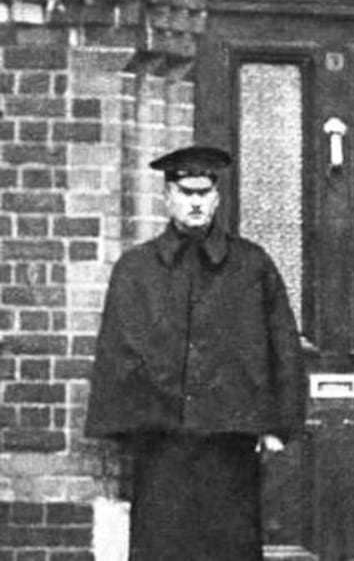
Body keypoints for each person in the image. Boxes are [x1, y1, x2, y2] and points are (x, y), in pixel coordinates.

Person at [85, 145, 306, 561]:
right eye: (186, 192)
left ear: (217, 197)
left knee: (229, 548)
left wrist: (279, 425)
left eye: (204, 192)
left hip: (230, 446)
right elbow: (115, 351)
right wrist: (122, 432)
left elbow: (284, 347)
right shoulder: (136, 270)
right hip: (161, 446)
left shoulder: (252, 266)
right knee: (163, 549)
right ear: (167, 196)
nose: (196, 202)